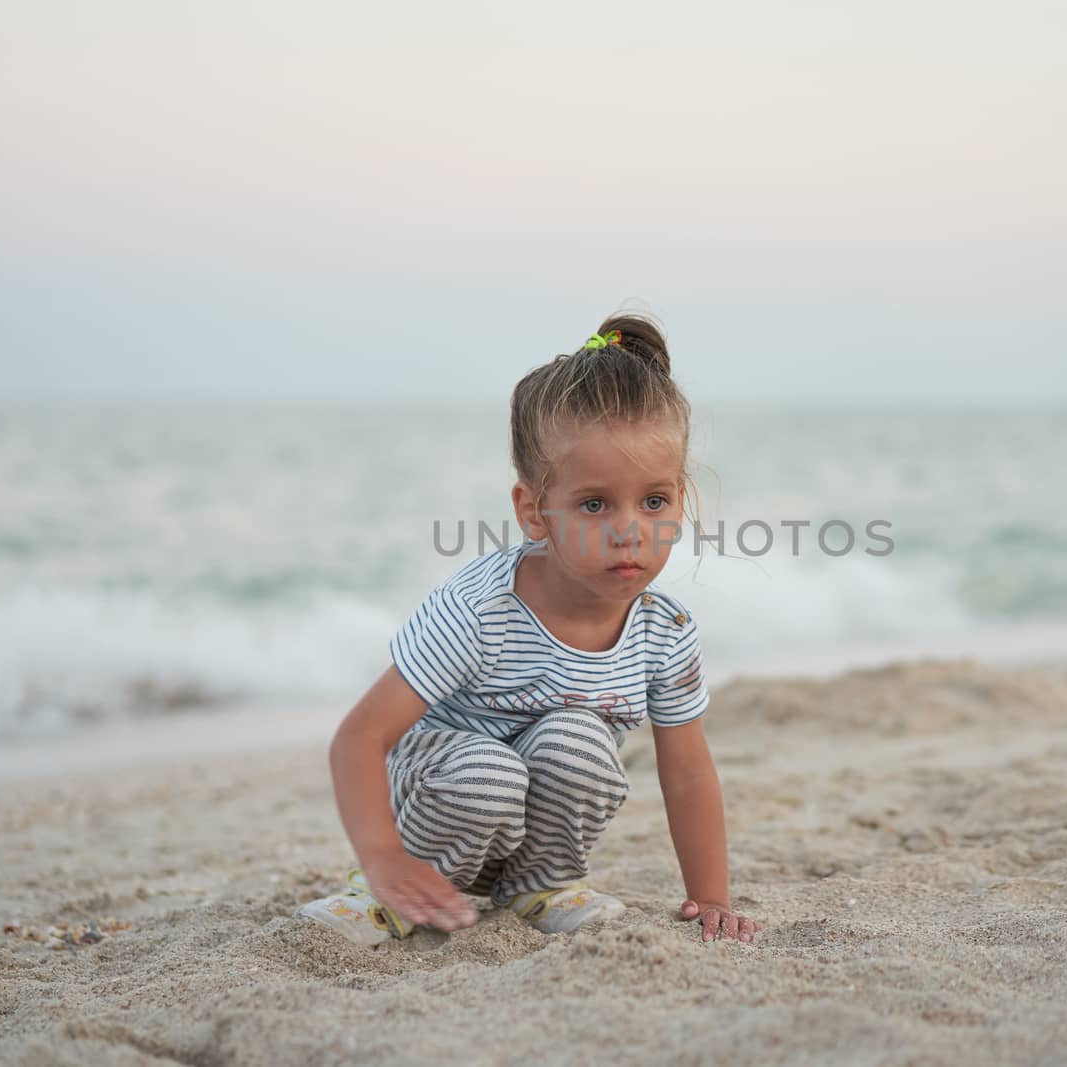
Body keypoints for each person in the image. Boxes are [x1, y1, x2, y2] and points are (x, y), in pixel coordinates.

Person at [296, 312, 763, 946]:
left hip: (531, 826)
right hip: (442, 798)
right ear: (534, 511)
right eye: (594, 504)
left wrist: (710, 897)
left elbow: (686, 771)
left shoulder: (665, 631)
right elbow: (359, 738)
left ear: (680, 500)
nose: (629, 528)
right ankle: (395, 895)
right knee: (488, 768)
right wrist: (381, 858)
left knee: (579, 738)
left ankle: (539, 884)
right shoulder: (480, 610)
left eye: (653, 501)